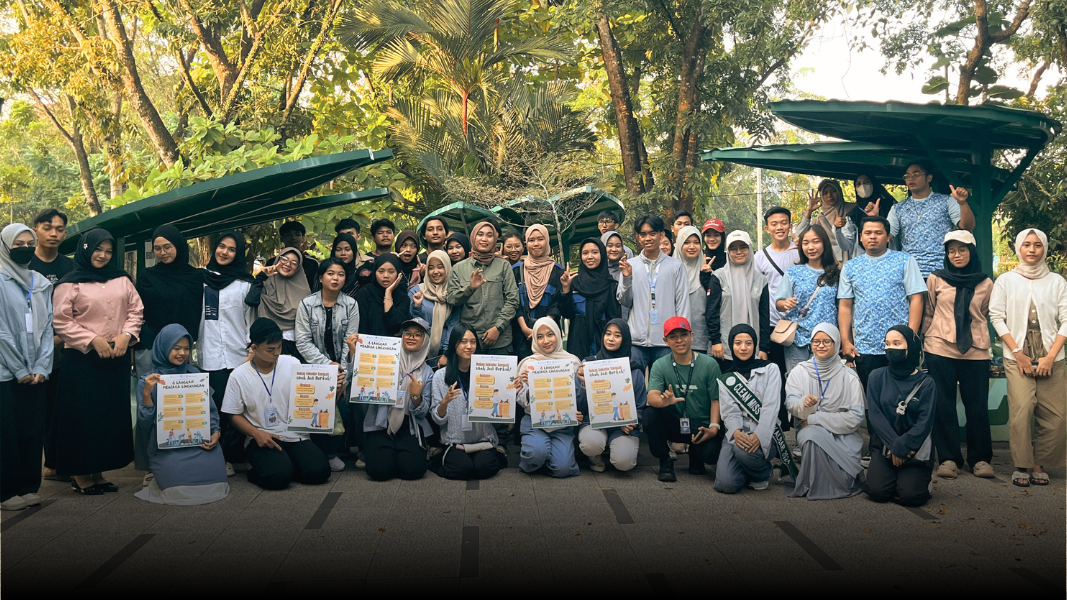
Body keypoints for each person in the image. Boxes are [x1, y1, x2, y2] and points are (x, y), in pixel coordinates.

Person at [53, 229, 143, 495]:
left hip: (115, 357)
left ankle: (98, 471)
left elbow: (136, 310)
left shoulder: (122, 279)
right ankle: (80, 474)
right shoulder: (70, 283)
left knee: (107, 416)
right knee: (83, 416)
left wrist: (127, 336)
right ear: (85, 248)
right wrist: (92, 340)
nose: (103, 255)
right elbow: (61, 320)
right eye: (97, 249)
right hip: (82, 360)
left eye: (108, 250)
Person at [989, 228, 1067, 488]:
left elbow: (1066, 320)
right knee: (1022, 410)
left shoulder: (1057, 281)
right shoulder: (1006, 281)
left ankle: (1039, 464)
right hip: (1017, 353)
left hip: (1052, 355)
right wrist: (1018, 354)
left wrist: (1050, 356)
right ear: (1018, 249)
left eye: (1037, 245)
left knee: (1056, 415)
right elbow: (997, 317)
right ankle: (1022, 464)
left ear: (1045, 248)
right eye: (1026, 245)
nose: (1032, 250)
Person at [222, 318, 330, 490]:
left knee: (320, 472)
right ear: (254, 348)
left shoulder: (292, 363)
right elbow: (233, 414)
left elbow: (310, 393)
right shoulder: (239, 375)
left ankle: (285, 466)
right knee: (278, 478)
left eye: (279, 347)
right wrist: (256, 434)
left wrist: (331, 386)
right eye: (270, 349)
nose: (276, 353)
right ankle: (260, 469)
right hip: (262, 438)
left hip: (295, 435)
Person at [923, 231, 995, 480]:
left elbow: (984, 313)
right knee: (943, 405)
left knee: (977, 407)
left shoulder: (985, 282)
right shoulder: (936, 278)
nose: (956, 255)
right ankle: (948, 458)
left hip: (975, 350)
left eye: (962, 250)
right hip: (939, 347)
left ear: (971, 251)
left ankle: (981, 459)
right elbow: (929, 311)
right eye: (951, 251)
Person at [135, 324, 229, 505]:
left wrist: (216, 432)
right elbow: (144, 425)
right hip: (168, 449)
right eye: (176, 348)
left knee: (216, 485)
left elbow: (210, 410)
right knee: (176, 492)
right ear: (163, 348)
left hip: (200, 444)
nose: (182, 353)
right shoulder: (148, 380)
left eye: (187, 348)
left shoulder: (195, 374)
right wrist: (147, 393)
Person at [0, 224, 53, 510]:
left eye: (29, 243)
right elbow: (1, 333)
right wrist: (20, 370)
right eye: (17, 244)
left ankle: (28, 486)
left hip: (36, 372)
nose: (24, 248)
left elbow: (47, 329)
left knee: (31, 430)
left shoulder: (40, 282)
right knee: (6, 433)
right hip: (6, 373)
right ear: (6, 247)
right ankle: (5, 492)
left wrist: (42, 367)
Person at [838, 216, 926, 388]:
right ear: (861, 237)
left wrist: (910, 337)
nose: (872, 236)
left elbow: (916, 299)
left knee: (903, 397)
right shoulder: (850, 267)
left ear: (888, 236)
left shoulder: (905, 260)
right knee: (873, 399)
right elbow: (845, 305)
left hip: (900, 344)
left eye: (878, 233)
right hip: (865, 346)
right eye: (868, 233)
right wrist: (846, 341)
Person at [785, 324, 865, 500]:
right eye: (816, 341)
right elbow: (790, 402)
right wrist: (802, 404)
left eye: (826, 341)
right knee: (811, 436)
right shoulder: (799, 371)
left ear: (836, 343)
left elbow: (856, 416)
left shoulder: (849, 376)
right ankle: (816, 483)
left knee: (844, 479)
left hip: (843, 435)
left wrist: (816, 418)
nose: (820, 345)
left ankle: (821, 480)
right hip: (810, 430)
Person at [200, 231, 256, 474]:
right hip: (209, 355)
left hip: (237, 356)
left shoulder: (245, 284)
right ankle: (219, 457)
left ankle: (236, 455)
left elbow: (250, 321)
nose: (224, 252)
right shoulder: (200, 280)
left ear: (238, 254)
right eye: (221, 246)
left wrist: (250, 352)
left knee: (236, 407)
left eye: (231, 249)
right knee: (214, 408)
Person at [296, 259, 360, 471]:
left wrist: (341, 373)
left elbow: (350, 343)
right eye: (331, 273)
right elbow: (303, 342)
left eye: (340, 274)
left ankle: (332, 452)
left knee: (342, 402)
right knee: (316, 407)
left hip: (342, 368)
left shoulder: (351, 304)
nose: (335, 278)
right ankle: (316, 451)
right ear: (321, 277)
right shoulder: (306, 304)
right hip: (315, 368)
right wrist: (327, 366)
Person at [863, 326, 936, 507]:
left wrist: (905, 446)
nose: (891, 348)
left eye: (897, 343)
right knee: (877, 492)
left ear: (911, 347)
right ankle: (894, 476)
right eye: (887, 344)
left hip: (915, 447)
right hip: (885, 445)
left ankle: (919, 481)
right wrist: (896, 446)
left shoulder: (927, 383)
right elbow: (875, 415)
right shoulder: (876, 376)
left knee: (910, 497)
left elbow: (925, 422)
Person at [646, 317, 723, 482]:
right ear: (665, 341)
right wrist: (663, 401)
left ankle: (696, 454)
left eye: (684, 335)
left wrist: (714, 428)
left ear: (692, 336)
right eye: (673, 337)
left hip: (701, 426)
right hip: (674, 422)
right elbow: (652, 396)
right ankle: (665, 460)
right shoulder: (660, 365)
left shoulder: (710, 364)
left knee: (711, 455)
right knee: (650, 415)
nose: (679, 340)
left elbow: (715, 400)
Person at [29, 209, 74, 483]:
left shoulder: (69, 268)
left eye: (59, 229)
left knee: (61, 407)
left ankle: (56, 463)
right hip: (30, 352)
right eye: (48, 228)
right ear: (36, 229)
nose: (54, 233)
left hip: (65, 350)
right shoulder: (24, 264)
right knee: (37, 410)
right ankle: (38, 467)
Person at [360, 318, 434, 481]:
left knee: (413, 471)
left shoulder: (427, 372)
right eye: (407, 333)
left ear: (425, 340)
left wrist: (416, 396)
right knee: (379, 472)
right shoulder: (384, 359)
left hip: (410, 425)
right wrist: (354, 353)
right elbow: (360, 381)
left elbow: (423, 412)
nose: (411, 337)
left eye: (417, 334)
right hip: (381, 422)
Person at [714, 324, 785, 493]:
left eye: (749, 343)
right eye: (738, 343)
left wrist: (758, 436)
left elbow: (771, 407)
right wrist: (736, 433)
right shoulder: (726, 377)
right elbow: (729, 411)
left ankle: (762, 473)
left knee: (744, 452)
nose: (743, 348)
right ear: (731, 345)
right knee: (726, 485)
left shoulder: (771, 369)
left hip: (766, 432)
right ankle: (747, 471)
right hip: (738, 434)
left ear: (755, 345)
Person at [430, 325, 507, 480]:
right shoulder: (440, 376)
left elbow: (500, 413)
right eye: (463, 341)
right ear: (454, 344)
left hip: (483, 440)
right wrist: (444, 402)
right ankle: (441, 457)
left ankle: (492, 454)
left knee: (484, 469)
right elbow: (437, 419)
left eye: (473, 341)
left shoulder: (487, 372)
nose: (469, 346)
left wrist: (509, 393)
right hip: (455, 441)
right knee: (461, 470)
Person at [879, 162, 975, 279]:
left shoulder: (946, 201)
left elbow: (967, 227)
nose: (911, 179)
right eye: (907, 176)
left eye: (916, 174)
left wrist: (962, 203)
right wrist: (874, 218)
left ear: (929, 178)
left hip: (942, 271)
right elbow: (886, 236)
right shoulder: (898, 208)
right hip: (910, 272)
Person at [617, 215, 690, 369]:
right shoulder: (630, 265)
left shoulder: (675, 266)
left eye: (652, 233)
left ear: (661, 234)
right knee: (635, 387)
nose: (647, 238)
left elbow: (682, 302)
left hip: (666, 341)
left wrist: (681, 336)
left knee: (664, 389)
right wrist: (627, 278)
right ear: (637, 237)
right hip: (636, 341)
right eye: (643, 234)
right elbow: (624, 301)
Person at [575, 319, 645, 472]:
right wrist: (584, 385)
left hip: (622, 427)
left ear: (625, 339)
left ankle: (618, 448)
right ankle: (594, 457)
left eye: (617, 335)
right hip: (593, 423)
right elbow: (578, 407)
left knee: (624, 463)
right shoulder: (588, 364)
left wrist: (633, 423)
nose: (611, 338)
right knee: (590, 444)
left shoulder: (634, 369)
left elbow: (640, 405)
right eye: (608, 334)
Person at [514, 318, 581, 478]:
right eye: (540, 336)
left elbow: (578, 397)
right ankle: (538, 458)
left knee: (563, 469)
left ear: (558, 334)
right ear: (535, 340)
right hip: (534, 422)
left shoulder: (573, 362)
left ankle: (546, 458)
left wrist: (577, 411)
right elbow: (521, 400)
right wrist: (529, 388)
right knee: (535, 454)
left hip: (562, 425)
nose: (546, 341)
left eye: (550, 334)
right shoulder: (528, 364)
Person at [135, 225, 204, 371]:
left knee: (179, 392)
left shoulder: (195, 277)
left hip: (181, 347)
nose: (163, 252)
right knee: (149, 390)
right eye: (157, 248)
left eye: (167, 247)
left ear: (178, 245)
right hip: (151, 344)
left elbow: (195, 311)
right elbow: (138, 310)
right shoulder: (147, 276)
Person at [446, 220, 520, 354]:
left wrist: (497, 328)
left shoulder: (504, 266)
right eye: (480, 234)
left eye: (489, 235)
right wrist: (470, 288)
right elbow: (451, 299)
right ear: (473, 237)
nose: (484, 239)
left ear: (495, 239)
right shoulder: (458, 268)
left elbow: (513, 300)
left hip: (501, 341)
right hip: (471, 342)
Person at [775, 225, 841, 372]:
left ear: (824, 243)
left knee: (826, 383)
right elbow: (778, 303)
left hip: (826, 340)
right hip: (798, 340)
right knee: (797, 383)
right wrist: (785, 304)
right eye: (805, 243)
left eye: (816, 242)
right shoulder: (793, 272)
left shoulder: (836, 274)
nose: (810, 247)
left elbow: (842, 308)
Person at [706, 231, 770, 370]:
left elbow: (764, 316)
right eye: (733, 248)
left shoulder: (760, 280)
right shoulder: (719, 277)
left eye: (743, 247)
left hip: (753, 348)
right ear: (728, 252)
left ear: (750, 249)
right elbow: (711, 312)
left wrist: (764, 347)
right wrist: (716, 340)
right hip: (723, 348)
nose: (738, 252)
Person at [755, 207, 799, 378]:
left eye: (783, 223)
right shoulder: (760, 257)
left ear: (790, 225)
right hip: (773, 325)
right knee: (776, 373)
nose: (779, 227)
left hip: (799, 323)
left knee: (799, 373)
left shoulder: (800, 251)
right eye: (774, 224)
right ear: (767, 228)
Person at [246, 247, 311, 361]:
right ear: (277, 260)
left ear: (298, 268)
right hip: (265, 345)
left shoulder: (304, 292)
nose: (287, 264)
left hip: (294, 347)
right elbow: (251, 300)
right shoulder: (265, 283)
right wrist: (262, 276)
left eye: (294, 262)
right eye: (284, 258)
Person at [561, 238, 621, 358]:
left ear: (602, 255)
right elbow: (567, 313)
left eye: (594, 252)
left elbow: (615, 318)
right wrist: (566, 289)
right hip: (578, 341)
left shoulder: (611, 285)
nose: (590, 257)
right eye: (585, 253)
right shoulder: (574, 282)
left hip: (603, 342)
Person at [513, 224, 564, 358]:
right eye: (531, 240)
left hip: (549, 336)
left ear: (547, 241)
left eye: (540, 239)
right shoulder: (516, 270)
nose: (536, 244)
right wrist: (525, 328)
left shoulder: (558, 271)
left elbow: (557, 304)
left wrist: (542, 330)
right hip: (522, 335)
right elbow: (513, 302)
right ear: (526, 243)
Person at [410, 250, 460, 364]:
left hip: (445, 355)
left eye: (440, 267)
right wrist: (417, 307)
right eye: (431, 267)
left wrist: (447, 353)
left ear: (447, 268)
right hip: (418, 354)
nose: (435, 271)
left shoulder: (454, 294)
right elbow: (413, 324)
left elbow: (454, 325)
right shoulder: (417, 291)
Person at [796, 179, 855, 262]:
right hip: (829, 265)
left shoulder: (853, 210)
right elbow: (799, 235)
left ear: (839, 192)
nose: (829, 195)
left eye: (833, 191)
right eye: (825, 193)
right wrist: (808, 211)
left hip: (853, 262)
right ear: (822, 197)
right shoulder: (819, 220)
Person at [673, 226, 711, 354]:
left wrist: (708, 279)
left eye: (696, 242)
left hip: (701, 338)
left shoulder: (708, 272)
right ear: (679, 245)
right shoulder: (670, 272)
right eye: (687, 242)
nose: (692, 246)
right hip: (674, 338)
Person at [840, 173, 897, 256]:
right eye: (858, 184)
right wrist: (837, 230)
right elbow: (846, 245)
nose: (862, 186)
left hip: (890, 257)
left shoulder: (891, 206)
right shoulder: (852, 215)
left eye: (866, 182)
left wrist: (876, 217)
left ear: (874, 184)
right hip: (863, 261)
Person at [355, 254, 412, 337]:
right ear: (374, 272)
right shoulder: (365, 293)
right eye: (381, 271)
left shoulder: (402, 297)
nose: (385, 276)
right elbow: (361, 326)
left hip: (392, 347)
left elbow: (395, 328)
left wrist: (388, 293)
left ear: (398, 274)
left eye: (391, 272)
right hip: (367, 346)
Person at [272, 221, 318, 289]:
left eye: (297, 235)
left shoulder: (312, 264)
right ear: (282, 238)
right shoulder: (272, 263)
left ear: (303, 238)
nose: (293, 237)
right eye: (288, 235)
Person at [329, 233, 363, 297]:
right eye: (338, 250)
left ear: (354, 251)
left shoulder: (358, 278)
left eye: (347, 249)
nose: (343, 253)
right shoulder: (323, 273)